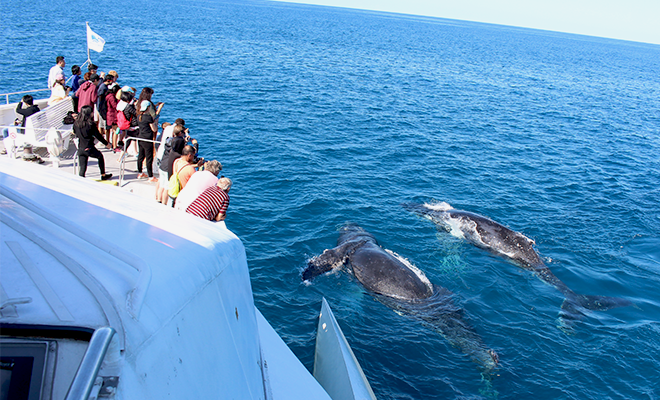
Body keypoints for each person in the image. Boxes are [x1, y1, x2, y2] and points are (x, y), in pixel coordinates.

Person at [73, 105, 112, 180]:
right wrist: (107, 144)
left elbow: (75, 132)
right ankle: (103, 175)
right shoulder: (91, 124)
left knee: (82, 168)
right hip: (89, 147)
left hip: (80, 148)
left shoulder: (76, 123)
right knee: (100, 156)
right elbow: (98, 136)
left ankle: (81, 180)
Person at [136, 90, 160, 181]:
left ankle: (140, 172)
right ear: (148, 107)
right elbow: (153, 129)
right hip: (147, 139)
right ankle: (150, 176)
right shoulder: (148, 117)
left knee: (140, 156)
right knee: (149, 158)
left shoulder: (139, 116)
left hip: (140, 137)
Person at [97, 74, 113, 143]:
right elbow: (100, 97)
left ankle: (102, 140)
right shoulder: (103, 88)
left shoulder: (102, 86)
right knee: (106, 126)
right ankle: (106, 140)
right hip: (102, 109)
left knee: (101, 125)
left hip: (100, 108)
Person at [106, 85, 120, 151]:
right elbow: (115, 106)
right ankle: (115, 146)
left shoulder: (109, 96)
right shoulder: (112, 97)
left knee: (114, 131)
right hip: (113, 116)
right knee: (115, 131)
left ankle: (114, 144)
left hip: (110, 115)